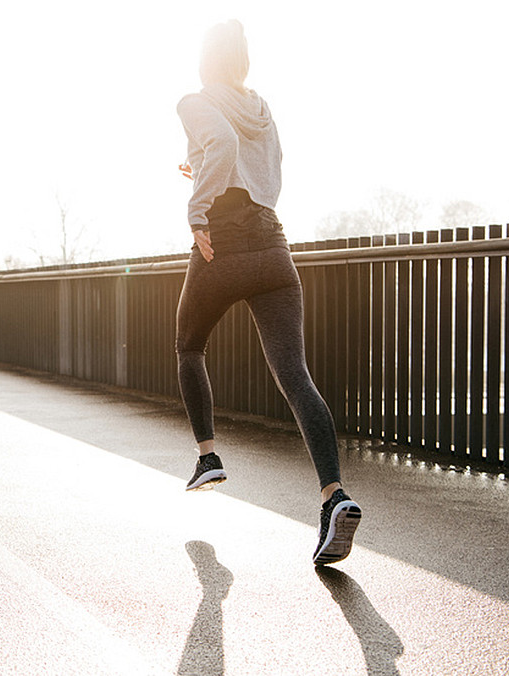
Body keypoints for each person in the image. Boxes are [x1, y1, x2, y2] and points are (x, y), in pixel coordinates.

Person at [175, 20, 361, 566]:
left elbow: (222, 144)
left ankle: (207, 455)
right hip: (274, 244)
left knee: (188, 344)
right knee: (296, 377)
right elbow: (259, 168)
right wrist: (205, 174)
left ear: (205, 59)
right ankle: (334, 496)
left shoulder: (193, 100)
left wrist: (198, 209)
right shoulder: (260, 106)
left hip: (224, 243)